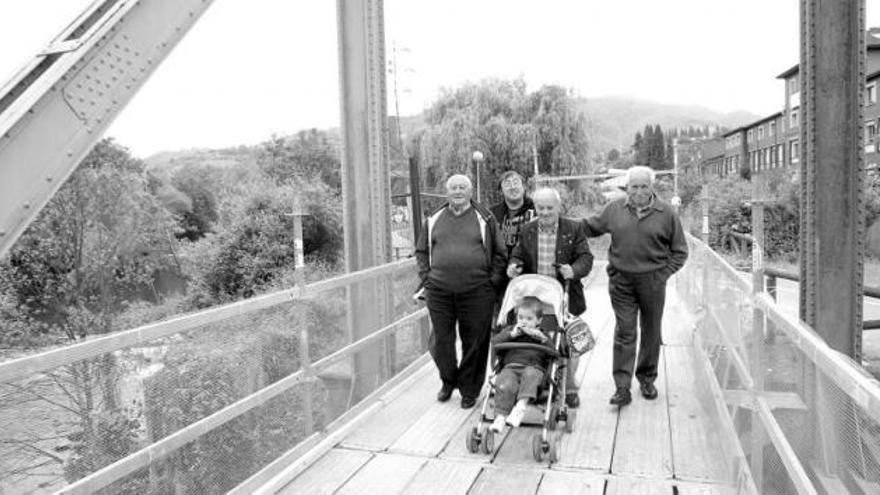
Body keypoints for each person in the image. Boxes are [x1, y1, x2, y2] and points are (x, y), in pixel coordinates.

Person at [582, 166, 688, 406]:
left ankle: (647, 378)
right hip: (622, 282)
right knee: (625, 331)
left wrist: (663, 275)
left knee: (651, 332)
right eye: (634, 187)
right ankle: (622, 387)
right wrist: (556, 221)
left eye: (644, 186)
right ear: (626, 187)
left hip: (653, 282)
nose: (639, 191)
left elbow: (680, 252)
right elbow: (589, 226)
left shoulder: (667, 213)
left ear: (652, 187)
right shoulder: (614, 209)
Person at [415, 174, 507, 409]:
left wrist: (492, 282)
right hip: (439, 291)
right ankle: (448, 381)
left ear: (470, 191)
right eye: (453, 187)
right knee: (441, 341)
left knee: (474, 342)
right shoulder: (434, 218)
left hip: (477, 291)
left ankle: (469, 389)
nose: (458, 191)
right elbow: (422, 251)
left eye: (462, 187)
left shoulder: (485, 218)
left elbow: (499, 253)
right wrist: (426, 279)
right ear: (447, 192)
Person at [507, 187, 593, 408]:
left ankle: (570, 388)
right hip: (536, 298)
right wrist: (513, 266)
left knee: (569, 344)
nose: (544, 212)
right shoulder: (528, 229)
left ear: (558, 207)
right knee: (539, 341)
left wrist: (573, 270)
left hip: (564, 296)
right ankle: (541, 383)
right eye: (540, 207)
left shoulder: (573, 228)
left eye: (549, 208)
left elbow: (586, 257)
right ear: (535, 207)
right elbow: (518, 254)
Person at [489, 296, 551, 431]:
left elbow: (554, 352)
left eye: (529, 319)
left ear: (539, 320)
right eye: (521, 318)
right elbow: (495, 342)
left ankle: (520, 407)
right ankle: (500, 417)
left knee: (531, 375)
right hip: (511, 367)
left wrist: (543, 339)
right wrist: (511, 335)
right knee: (505, 382)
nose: (524, 322)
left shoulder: (542, 334)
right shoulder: (510, 331)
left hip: (533, 367)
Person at [490, 170, 536, 259]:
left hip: (530, 265)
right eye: (507, 184)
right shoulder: (493, 214)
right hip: (501, 265)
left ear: (524, 187)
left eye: (516, 182)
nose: (512, 187)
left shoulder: (537, 210)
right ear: (501, 191)